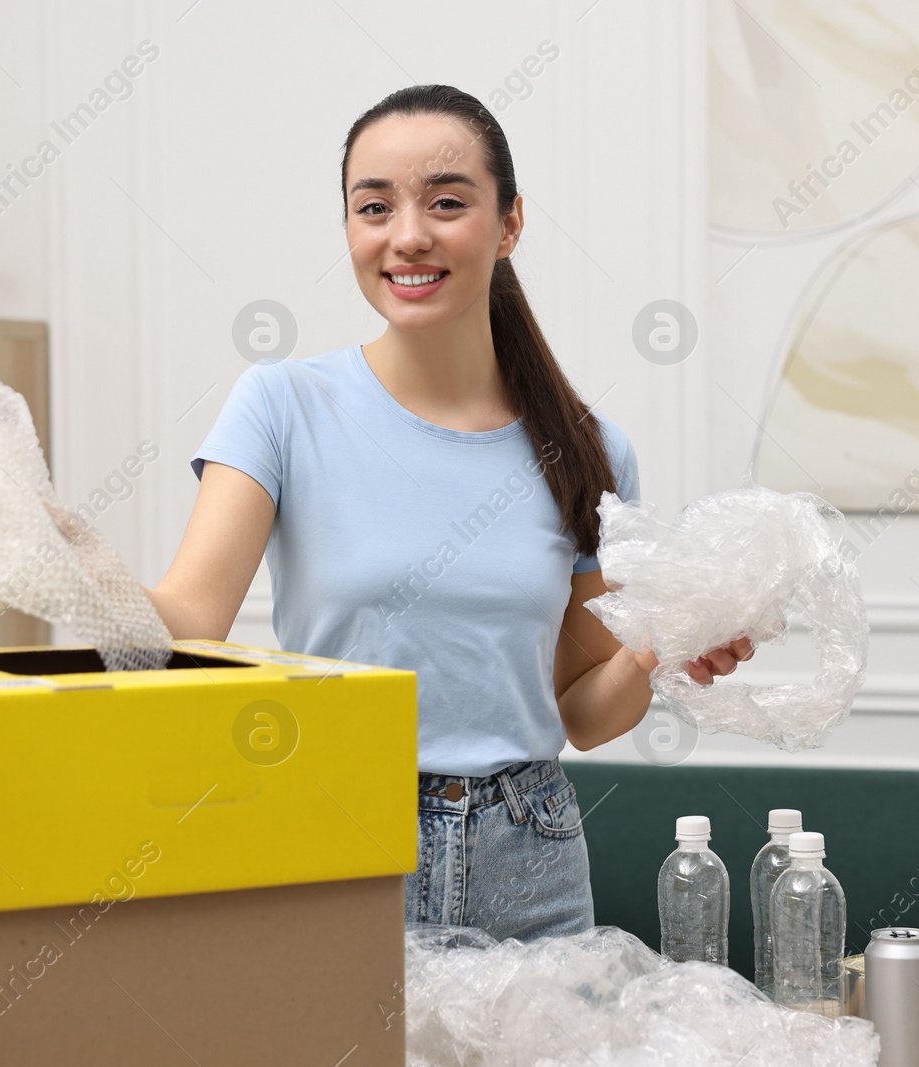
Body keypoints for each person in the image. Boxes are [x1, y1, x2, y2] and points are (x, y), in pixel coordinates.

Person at [148, 84, 752, 941]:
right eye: (374, 207)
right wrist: (60, 552)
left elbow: (580, 711)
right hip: (339, 833)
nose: (407, 235)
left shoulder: (591, 451)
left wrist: (664, 641)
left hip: (532, 855)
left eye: (445, 202)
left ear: (508, 224)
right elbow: (185, 619)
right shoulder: (282, 406)